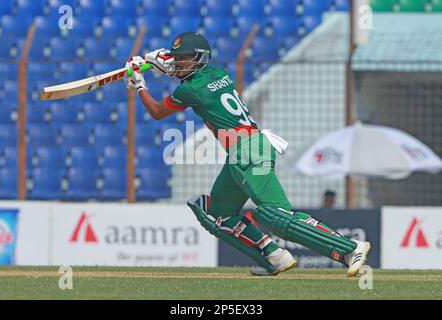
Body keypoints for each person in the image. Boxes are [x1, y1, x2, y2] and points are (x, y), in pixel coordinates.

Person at [124, 32, 370, 277]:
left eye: (183, 59)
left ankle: (349, 248)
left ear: (198, 60)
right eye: (176, 59)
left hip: (248, 152)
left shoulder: (192, 89)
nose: (178, 64)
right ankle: (275, 256)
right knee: (218, 213)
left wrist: (140, 85)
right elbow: (190, 83)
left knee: (275, 214)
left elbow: (157, 111)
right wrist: (159, 61)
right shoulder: (218, 73)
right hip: (244, 151)